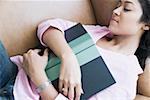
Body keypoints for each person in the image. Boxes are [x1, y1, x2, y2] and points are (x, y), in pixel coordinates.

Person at [11, 0, 150, 100]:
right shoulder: (99, 32)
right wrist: (68, 58)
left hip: (19, 95)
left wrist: (39, 77)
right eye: (118, 5)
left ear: (146, 24)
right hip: (13, 70)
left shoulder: (126, 78)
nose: (115, 11)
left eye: (127, 8)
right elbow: (49, 26)